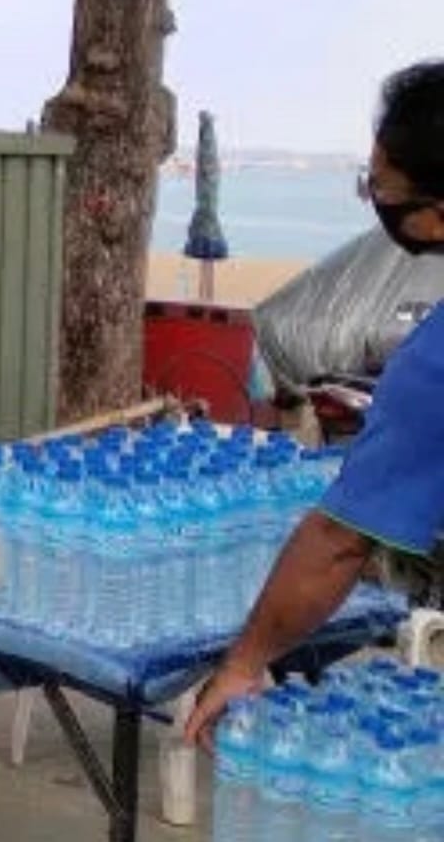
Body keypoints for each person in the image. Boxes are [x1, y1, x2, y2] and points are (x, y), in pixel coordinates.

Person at [185, 61, 444, 745]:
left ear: (436, 214)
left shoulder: (433, 364)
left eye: (378, 187)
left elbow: (339, 541)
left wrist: (243, 665)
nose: (373, 200)